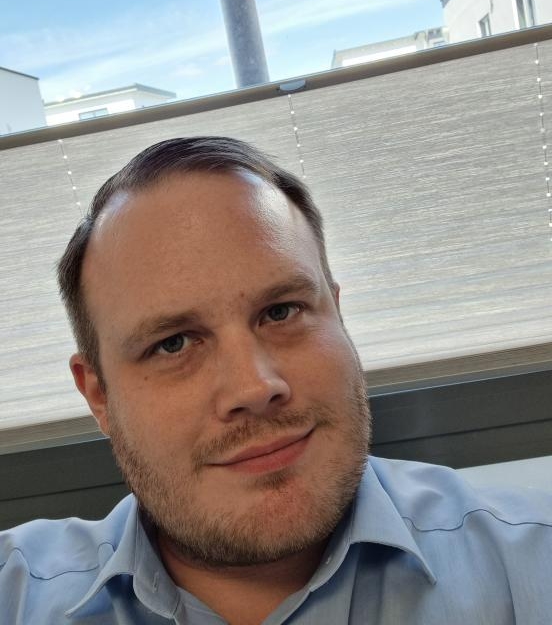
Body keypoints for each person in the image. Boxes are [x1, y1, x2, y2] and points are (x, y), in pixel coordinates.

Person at [1, 136, 551, 625]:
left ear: (338, 315)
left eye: (281, 312)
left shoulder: (531, 561)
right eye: (173, 344)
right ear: (98, 395)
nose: (255, 386)